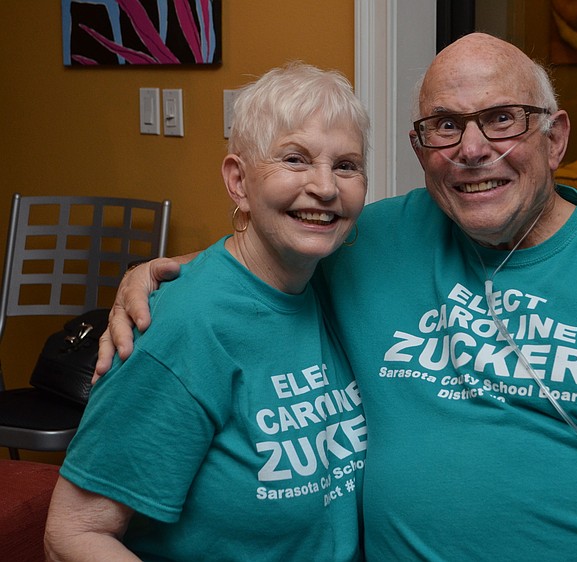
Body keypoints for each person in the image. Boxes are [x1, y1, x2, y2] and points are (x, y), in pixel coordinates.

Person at [99, 33, 577, 560]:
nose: (472, 148)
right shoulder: (377, 238)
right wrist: (168, 276)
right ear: (421, 147)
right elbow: (271, 248)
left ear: (557, 137)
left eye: (504, 119)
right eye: (445, 126)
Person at [45, 62, 369, 561]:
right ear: (238, 181)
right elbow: (73, 534)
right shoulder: (181, 327)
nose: (325, 187)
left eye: (346, 165)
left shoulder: (333, 274)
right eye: (295, 159)